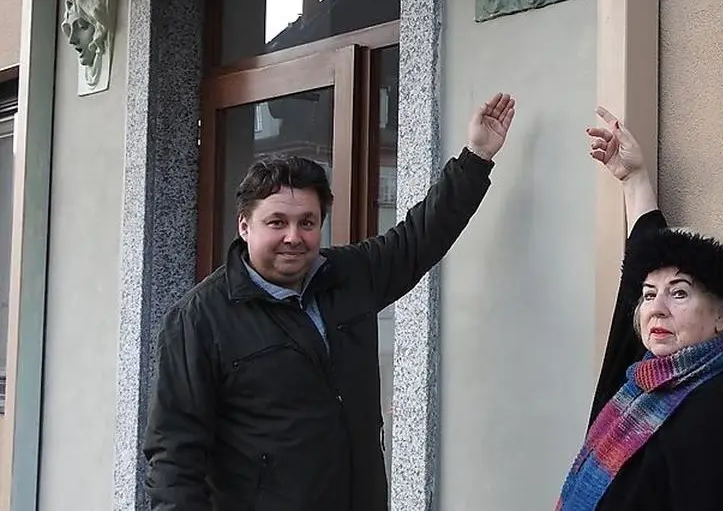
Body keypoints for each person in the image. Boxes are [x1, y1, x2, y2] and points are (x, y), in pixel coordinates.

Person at [142, 93, 516, 511]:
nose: (293, 236)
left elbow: (419, 237)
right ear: (244, 226)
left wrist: (477, 156)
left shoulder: (349, 275)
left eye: (307, 222)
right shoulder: (199, 320)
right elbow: (174, 456)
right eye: (276, 222)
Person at [555, 107, 723, 510]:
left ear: (722, 316)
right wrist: (634, 180)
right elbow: (643, 265)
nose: (656, 309)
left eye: (679, 294)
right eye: (648, 295)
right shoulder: (645, 383)